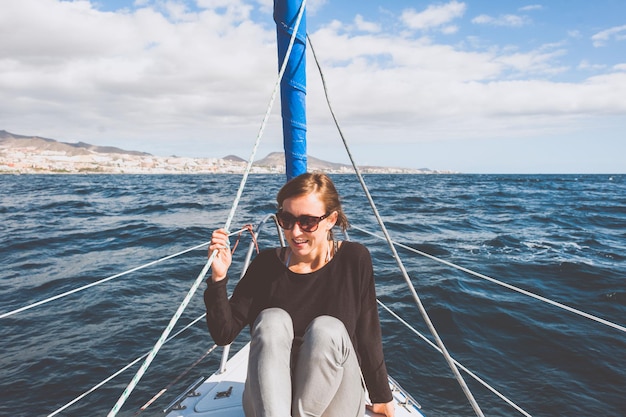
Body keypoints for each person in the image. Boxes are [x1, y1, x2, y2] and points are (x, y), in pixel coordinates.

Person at [205, 172, 395, 417]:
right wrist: (218, 279)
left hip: (334, 397)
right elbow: (223, 334)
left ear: (331, 220)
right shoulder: (266, 265)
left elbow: (368, 332)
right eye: (286, 219)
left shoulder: (354, 259)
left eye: (308, 221)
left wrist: (381, 397)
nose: (295, 232)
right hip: (271, 404)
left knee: (327, 330)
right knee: (271, 320)